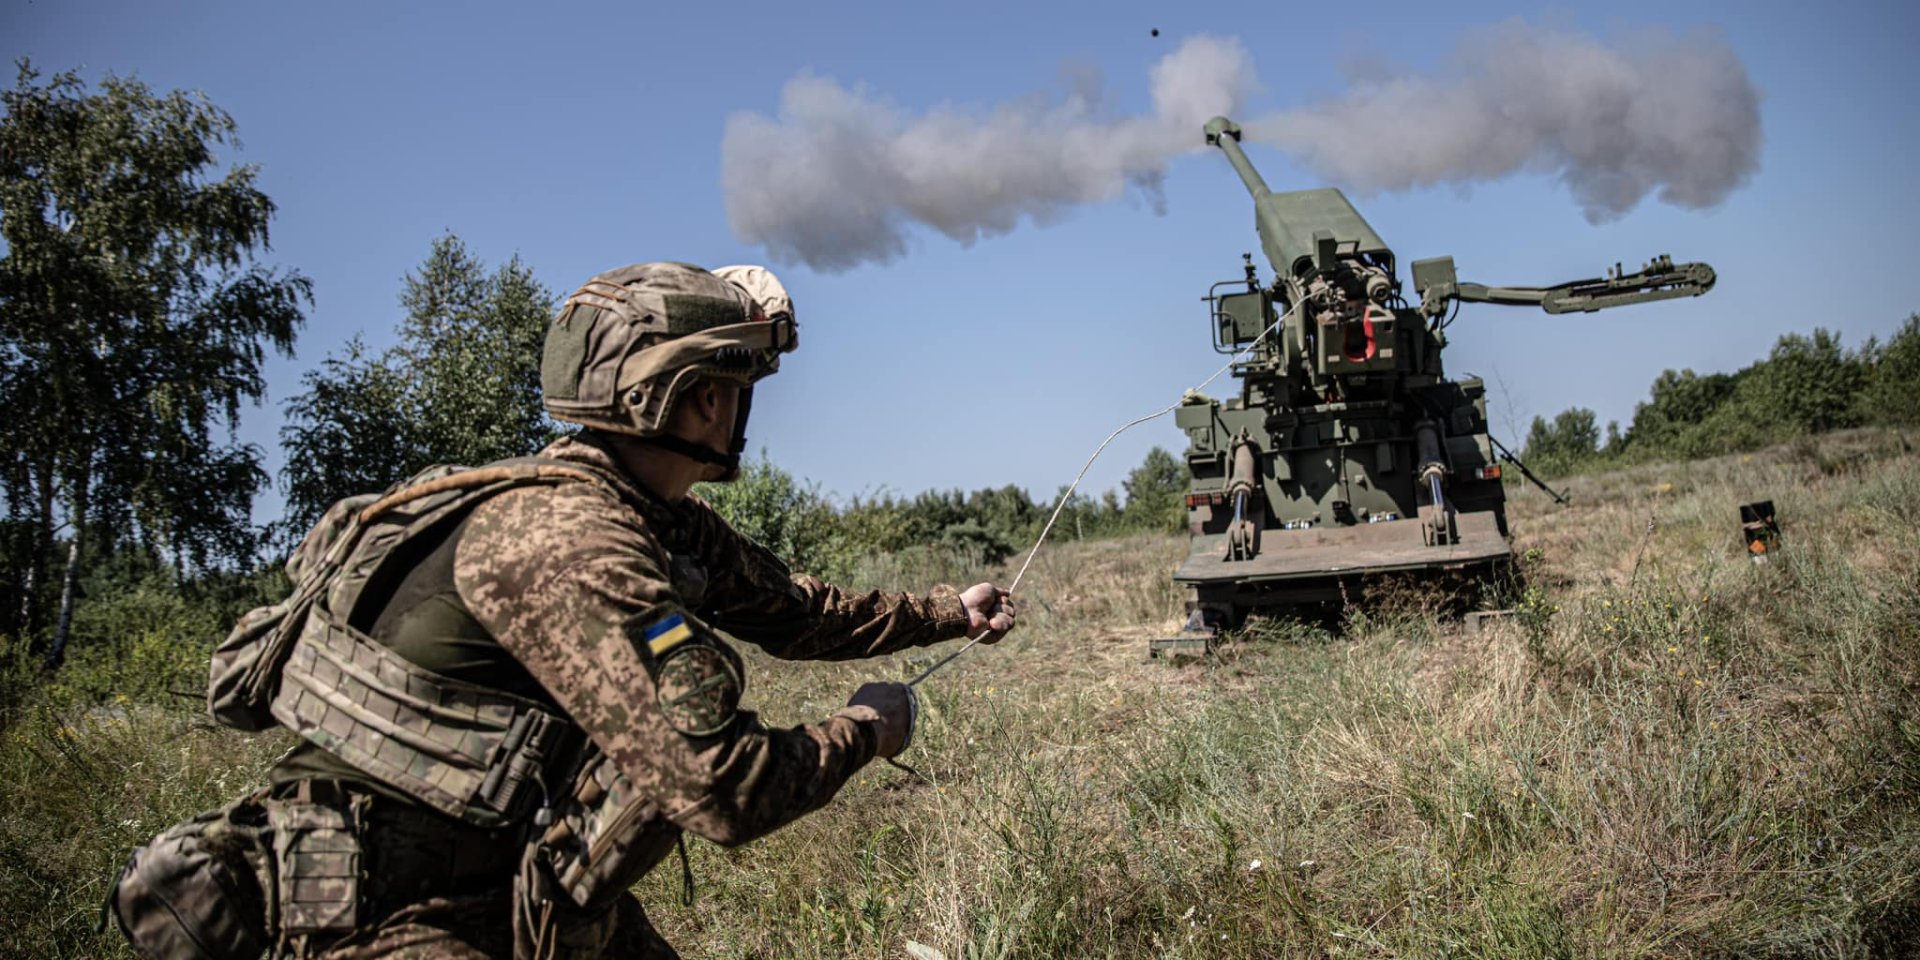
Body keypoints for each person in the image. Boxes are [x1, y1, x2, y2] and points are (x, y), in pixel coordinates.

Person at [122, 262, 1014, 960]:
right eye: (741, 386)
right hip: (380, 918)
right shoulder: (572, 540)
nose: (743, 409)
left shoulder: (641, 510)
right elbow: (724, 787)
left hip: (504, 884)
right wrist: (868, 729)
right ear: (706, 397)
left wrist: (947, 611)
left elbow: (795, 612)